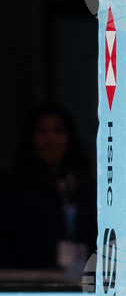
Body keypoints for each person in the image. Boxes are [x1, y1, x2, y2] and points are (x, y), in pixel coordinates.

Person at [1, 104, 96, 271]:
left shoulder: (85, 186)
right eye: (42, 132)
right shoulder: (12, 189)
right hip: (28, 283)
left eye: (58, 131)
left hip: (82, 284)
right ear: (31, 138)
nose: (50, 139)